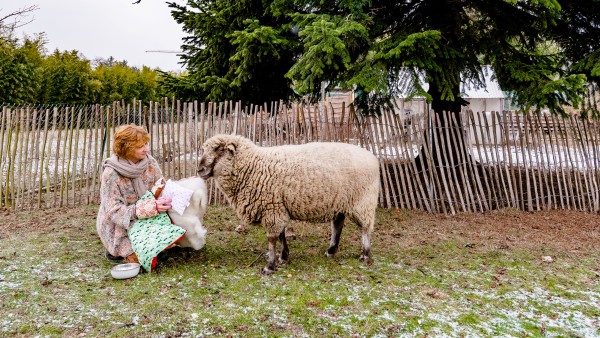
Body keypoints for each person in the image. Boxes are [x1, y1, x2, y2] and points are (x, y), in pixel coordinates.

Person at [96, 124, 172, 264]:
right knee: (138, 258)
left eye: (146, 143)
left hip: (149, 217)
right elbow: (113, 211)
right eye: (139, 146)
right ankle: (116, 250)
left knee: (159, 249)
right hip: (120, 224)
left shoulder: (150, 163)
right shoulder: (111, 174)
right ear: (126, 148)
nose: (146, 149)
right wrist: (142, 209)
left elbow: (160, 186)